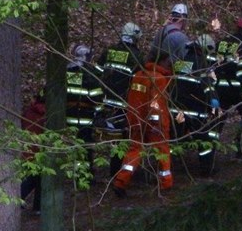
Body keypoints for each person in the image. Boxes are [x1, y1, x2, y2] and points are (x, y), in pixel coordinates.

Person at [113, 34, 177, 197]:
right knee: (163, 151)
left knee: (134, 150)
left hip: (135, 119)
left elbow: (133, 99)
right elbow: (156, 104)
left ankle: (121, 181)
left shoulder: (138, 75)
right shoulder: (159, 79)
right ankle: (166, 184)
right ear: (162, 61)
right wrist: (158, 124)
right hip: (154, 123)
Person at [95, 22, 144, 176]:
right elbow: (140, 80)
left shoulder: (109, 51)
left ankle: (112, 169)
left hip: (105, 101)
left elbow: (97, 73)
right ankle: (116, 172)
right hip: (123, 102)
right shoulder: (135, 56)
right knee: (122, 137)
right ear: (135, 38)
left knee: (112, 136)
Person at [170, 33, 222, 176]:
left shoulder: (181, 62)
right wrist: (215, 104)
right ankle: (206, 170)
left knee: (175, 138)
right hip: (195, 110)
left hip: (176, 109)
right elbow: (208, 88)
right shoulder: (202, 64)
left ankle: (168, 167)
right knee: (204, 139)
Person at [212, 18, 242, 157]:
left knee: (218, 120)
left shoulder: (221, 43)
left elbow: (212, 64)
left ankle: (210, 152)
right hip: (236, 88)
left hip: (219, 88)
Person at [65, 44, 104, 179]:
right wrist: (100, 114)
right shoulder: (88, 74)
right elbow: (96, 97)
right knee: (85, 145)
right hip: (85, 117)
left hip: (68, 116)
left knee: (74, 145)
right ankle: (84, 176)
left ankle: (76, 172)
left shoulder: (67, 71)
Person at [20, 91, 46, 214]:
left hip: (27, 149)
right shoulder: (47, 115)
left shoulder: (28, 112)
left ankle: (22, 200)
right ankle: (37, 207)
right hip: (40, 151)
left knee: (33, 177)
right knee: (37, 179)